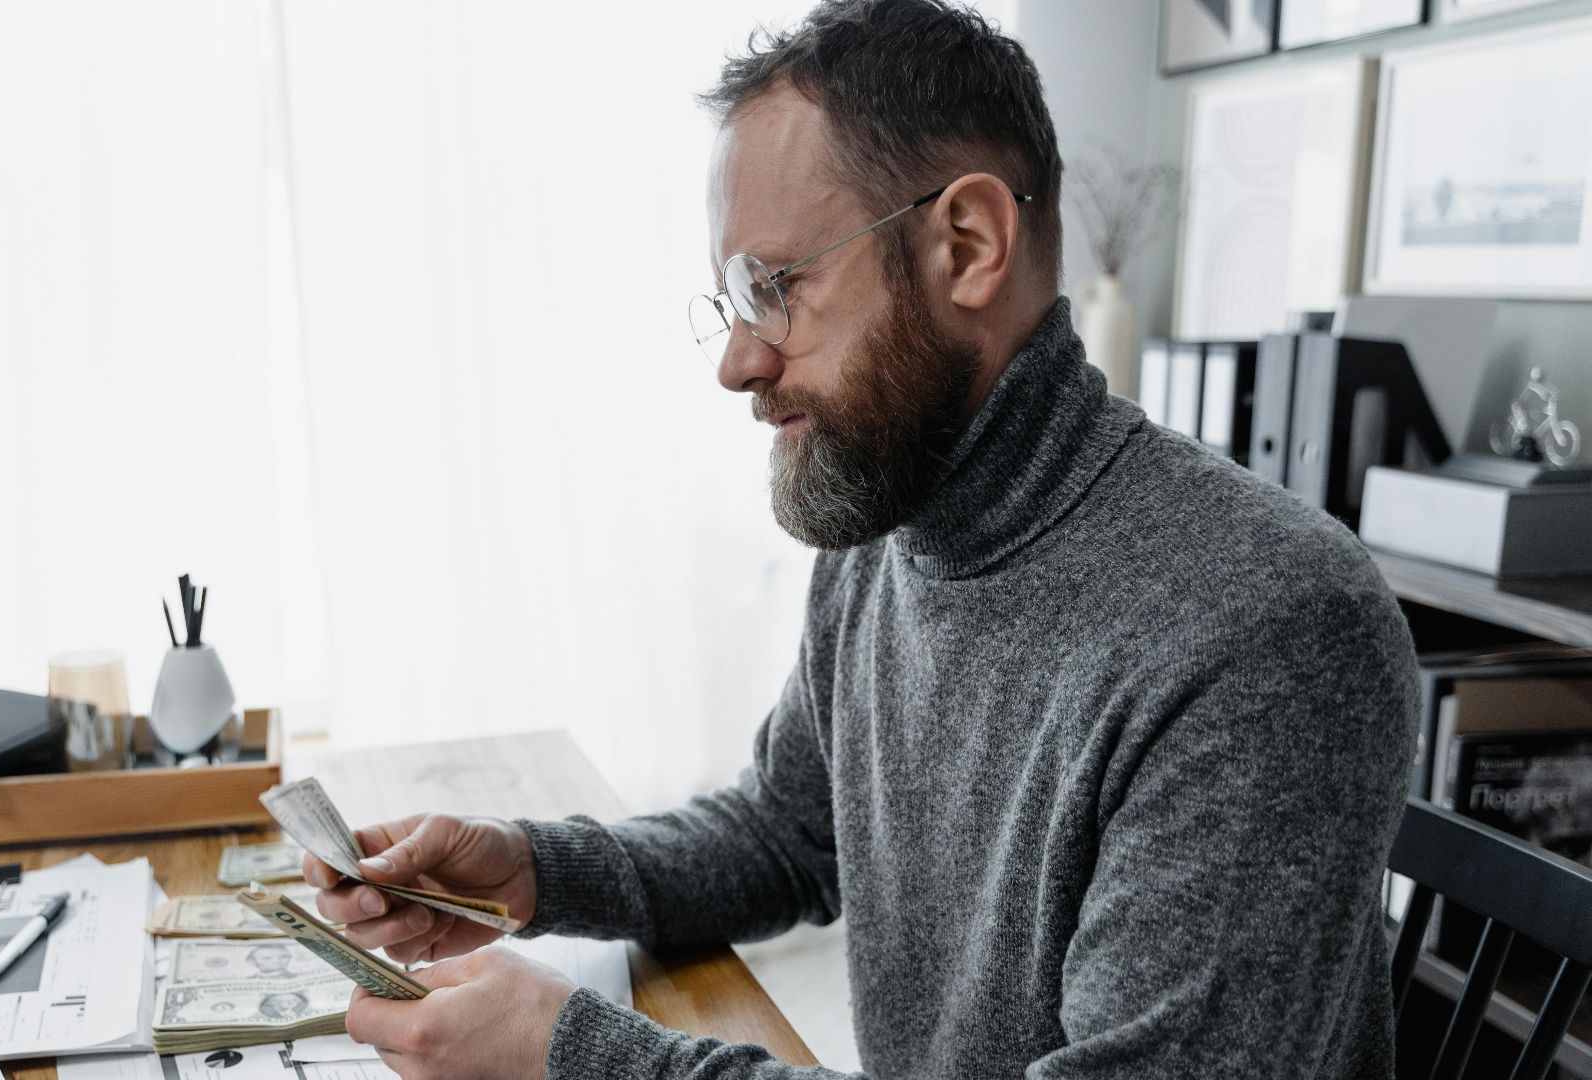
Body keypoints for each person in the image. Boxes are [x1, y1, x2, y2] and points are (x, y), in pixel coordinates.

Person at [313, 2, 1419, 1078]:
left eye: (776, 287)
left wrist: (577, 1056)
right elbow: (792, 833)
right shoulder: (890, 513)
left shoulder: (1265, 630)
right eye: (733, 300)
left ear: (968, 244)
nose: (736, 361)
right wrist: (533, 870)